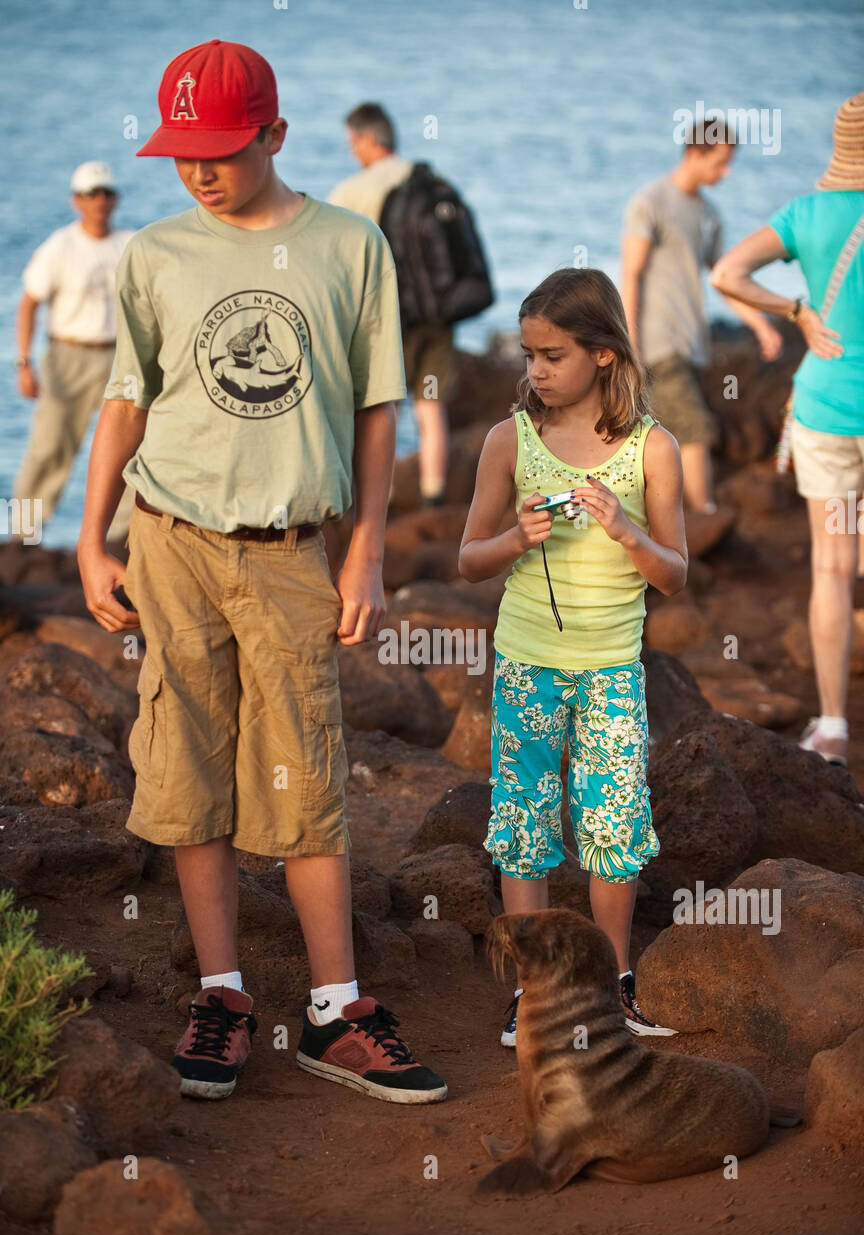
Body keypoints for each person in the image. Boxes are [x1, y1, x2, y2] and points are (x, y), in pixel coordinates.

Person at [77, 39, 446, 1105]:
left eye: (223, 150)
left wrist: (367, 546)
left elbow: (378, 407)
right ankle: (224, 992)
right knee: (189, 761)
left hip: (291, 550)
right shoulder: (153, 252)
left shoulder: (347, 246)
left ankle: (336, 1010)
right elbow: (124, 401)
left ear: (276, 135)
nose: (199, 169)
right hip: (171, 538)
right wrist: (95, 537)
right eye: (182, 150)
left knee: (305, 772)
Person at [458, 267, 686, 1042]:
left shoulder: (653, 449)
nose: (535, 371)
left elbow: (675, 574)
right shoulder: (508, 440)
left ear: (604, 354)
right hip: (526, 662)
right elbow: (468, 560)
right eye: (527, 355)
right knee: (523, 822)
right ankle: (534, 993)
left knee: (614, 825)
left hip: (613, 666)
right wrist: (514, 538)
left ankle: (613, 985)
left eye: (551, 355)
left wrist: (627, 530)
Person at [711, 91, 864, 770]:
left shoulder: (807, 214)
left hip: (827, 412)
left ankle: (831, 726)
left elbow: (727, 273)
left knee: (832, 569)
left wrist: (796, 310)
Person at [621, 119, 783, 515]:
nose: (725, 173)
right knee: (694, 430)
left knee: (663, 435)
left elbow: (725, 280)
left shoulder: (709, 214)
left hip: (693, 345)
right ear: (695, 153)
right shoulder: (650, 202)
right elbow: (631, 274)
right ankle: (704, 515)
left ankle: (673, 523)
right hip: (658, 343)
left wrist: (762, 325)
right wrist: (630, 345)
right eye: (720, 163)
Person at [328, 103, 456, 506]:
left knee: (384, 410)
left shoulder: (354, 191)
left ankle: (375, 501)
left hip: (387, 318)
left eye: (353, 143)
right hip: (437, 314)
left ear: (368, 140)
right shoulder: (433, 182)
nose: (353, 152)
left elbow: (333, 259)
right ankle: (433, 496)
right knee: (430, 408)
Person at [13, 161, 135, 546]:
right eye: (90, 194)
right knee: (49, 446)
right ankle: (22, 535)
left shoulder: (130, 244)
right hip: (69, 355)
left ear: (115, 199)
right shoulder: (60, 247)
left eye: (106, 193)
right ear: (76, 201)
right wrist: (24, 363)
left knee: (131, 448)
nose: (99, 200)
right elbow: (29, 303)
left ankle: (120, 535)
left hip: (120, 356)